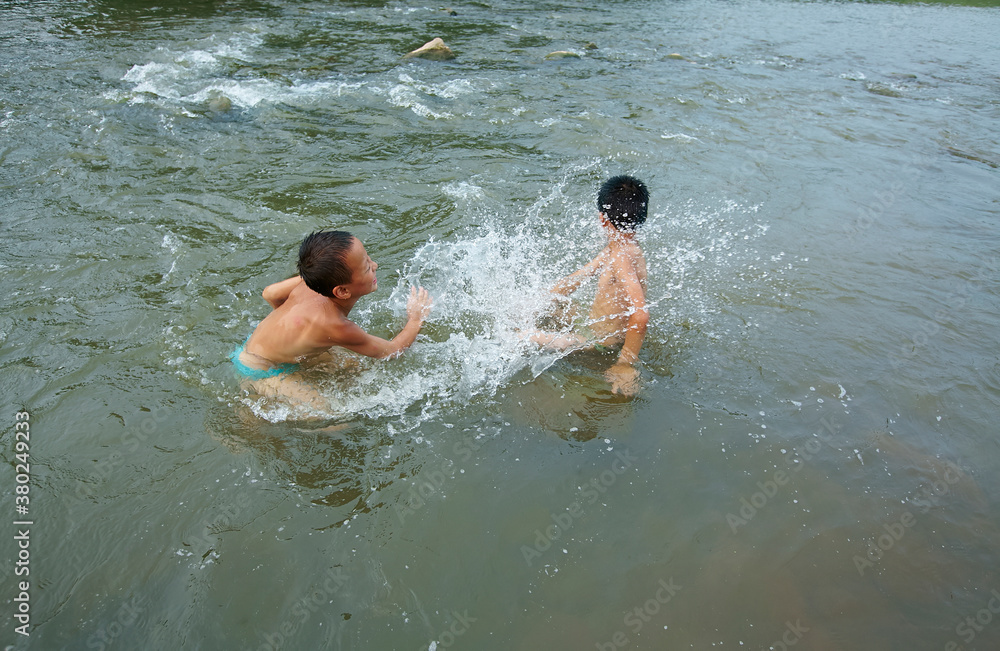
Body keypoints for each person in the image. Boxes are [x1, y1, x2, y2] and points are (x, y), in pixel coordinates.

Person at [231, 230, 432, 412]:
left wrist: (296, 329)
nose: (375, 265)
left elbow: (270, 293)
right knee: (328, 416)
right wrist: (415, 319)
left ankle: (293, 356)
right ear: (342, 291)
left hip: (259, 346)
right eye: (366, 268)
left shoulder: (309, 282)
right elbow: (391, 351)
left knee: (356, 366)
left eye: (368, 259)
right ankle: (250, 421)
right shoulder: (336, 326)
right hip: (258, 370)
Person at [529, 175, 650, 396]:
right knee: (545, 306)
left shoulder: (622, 255)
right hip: (593, 328)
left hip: (600, 343)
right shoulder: (620, 246)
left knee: (520, 337)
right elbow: (581, 276)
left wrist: (625, 363)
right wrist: (543, 299)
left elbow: (640, 315)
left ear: (602, 218)